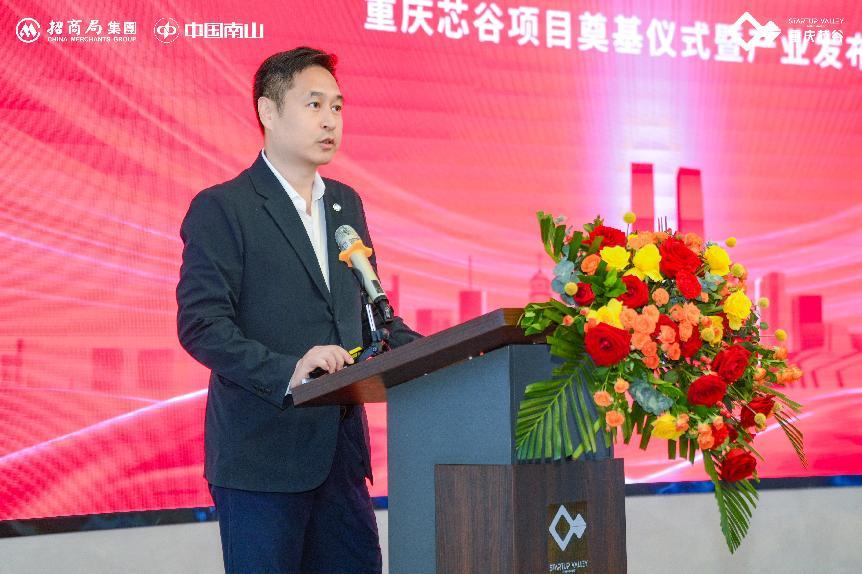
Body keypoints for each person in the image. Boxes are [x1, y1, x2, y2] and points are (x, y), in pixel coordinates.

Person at [176, 47, 420, 574]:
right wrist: (290, 370)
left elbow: (372, 315)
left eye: (337, 106)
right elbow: (202, 325)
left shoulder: (345, 204)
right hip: (261, 461)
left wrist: (449, 356)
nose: (330, 120)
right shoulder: (225, 207)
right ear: (268, 111)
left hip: (341, 459)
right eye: (314, 105)